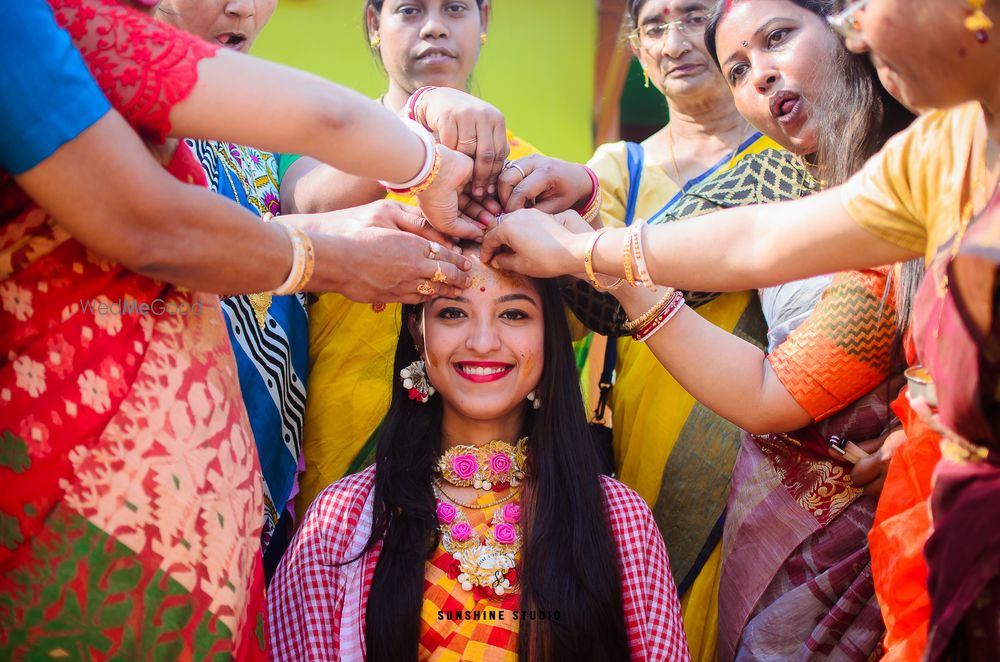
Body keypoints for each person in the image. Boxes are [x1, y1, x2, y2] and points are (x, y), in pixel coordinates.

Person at [480, 0, 1000, 657]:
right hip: (891, 521)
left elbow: (767, 386)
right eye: (739, 67)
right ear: (636, 52)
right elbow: (755, 241)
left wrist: (935, 426)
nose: (857, 25)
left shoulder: (856, 162)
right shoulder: (925, 159)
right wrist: (583, 243)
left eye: (781, 36)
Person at [0, 0, 484, 656]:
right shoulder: (40, 25)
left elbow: (207, 239)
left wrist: (329, 237)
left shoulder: (211, 119)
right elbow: (155, 226)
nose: (244, 7)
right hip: (82, 500)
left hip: (219, 526)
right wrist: (415, 175)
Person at [494, 1, 782, 657]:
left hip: (764, 434)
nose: (675, 40)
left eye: (694, 16)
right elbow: (578, 309)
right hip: (644, 435)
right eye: (654, 26)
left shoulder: (792, 154)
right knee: (651, 613)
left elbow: (740, 248)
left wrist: (587, 231)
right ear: (639, 56)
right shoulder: (615, 169)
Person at [268, 247, 689, 660]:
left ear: (550, 336)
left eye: (514, 314)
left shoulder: (619, 520)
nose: (483, 342)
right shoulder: (343, 521)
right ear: (418, 333)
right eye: (452, 312)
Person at [286, 0, 541, 519]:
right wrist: (417, 124)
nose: (434, 27)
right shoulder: (331, 146)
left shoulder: (527, 168)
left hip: (490, 478)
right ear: (373, 25)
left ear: (484, 22)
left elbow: (577, 322)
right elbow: (305, 206)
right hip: (342, 462)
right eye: (409, 10)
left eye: (453, 8)